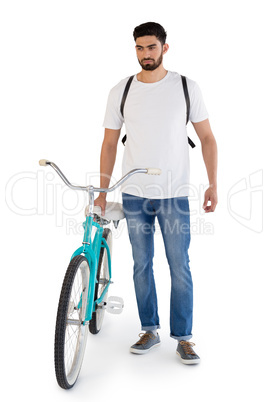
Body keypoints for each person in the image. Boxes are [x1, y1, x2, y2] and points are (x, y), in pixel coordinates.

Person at [94, 22, 218, 365]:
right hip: (134, 194)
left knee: (179, 265)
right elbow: (108, 143)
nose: (145, 54)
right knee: (141, 264)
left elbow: (207, 138)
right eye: (139, 48)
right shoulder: (121, 91)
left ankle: (184, 338)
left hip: (174, 193)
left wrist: (213, 183)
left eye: (151, 47)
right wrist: (103, 192)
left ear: (165, 47)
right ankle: (149, 329)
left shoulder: (185, 87)